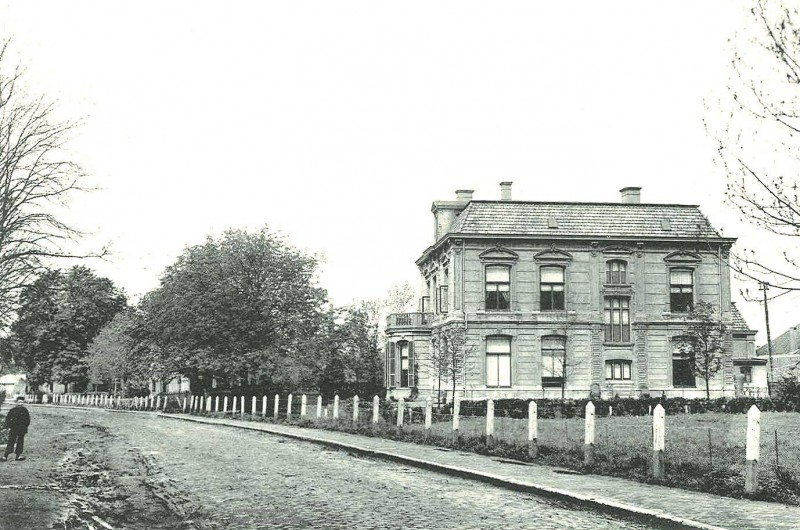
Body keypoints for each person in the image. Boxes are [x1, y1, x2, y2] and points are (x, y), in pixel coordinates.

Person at [1, 396, 30, 461]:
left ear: (23, 403)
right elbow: (8, 419)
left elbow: (27, 420)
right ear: (16, 402)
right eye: (19, 402)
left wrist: (24, 427)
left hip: (22, 429)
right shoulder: (12, 410)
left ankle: (18, 455)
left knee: (20, 442)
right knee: (11, 441)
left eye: (22, 402)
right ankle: (5, 456)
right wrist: (9, 426)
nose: (20, 404)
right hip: (13, 428)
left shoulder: (25, 411)